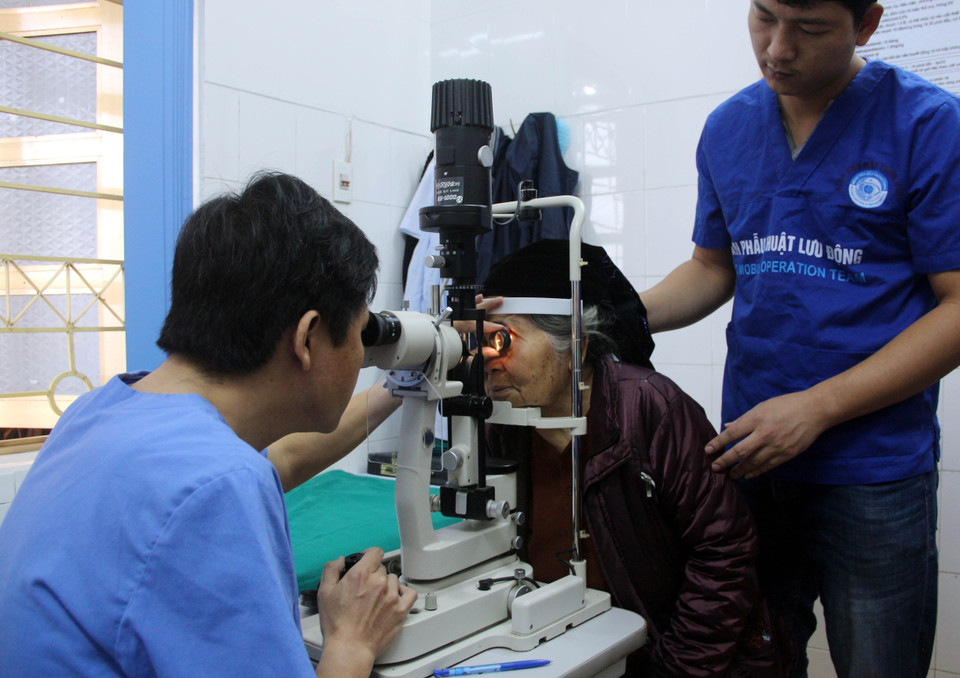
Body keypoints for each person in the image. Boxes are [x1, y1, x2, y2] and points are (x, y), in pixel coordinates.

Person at [640, 2, 960, 677]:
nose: (777, 48)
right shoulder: (728, 127)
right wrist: (610, 315)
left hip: (873, 471)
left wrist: (816, 408)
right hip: (753, 455)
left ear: (866, 24)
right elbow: (711, 267)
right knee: (757, 655)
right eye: (763, 17)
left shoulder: (927, 124)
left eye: (809, 28)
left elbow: (957, 307)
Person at [0, 172, 417, 678]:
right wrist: (351, 644)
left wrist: (404, 384)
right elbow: (221, 487)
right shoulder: (219, 488)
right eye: (359, 333)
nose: (360, 355)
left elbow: (279, 460)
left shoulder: (102, 411)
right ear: (307, 338)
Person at [481, 239, 790, 678]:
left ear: (576, 344)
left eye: (501, 339)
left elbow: (725, 552)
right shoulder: (499, 426)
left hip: (660, 651)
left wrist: (675, 671)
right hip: (560, 646)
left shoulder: (650, 409)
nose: (489, 361)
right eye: (480, 342)